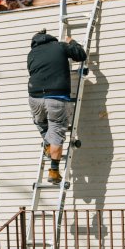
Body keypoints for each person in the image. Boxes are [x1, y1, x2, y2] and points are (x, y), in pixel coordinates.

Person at [27, 30, 88, 183]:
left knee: (40, 122)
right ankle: (54, 171)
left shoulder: (31, 54)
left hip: (35, 97)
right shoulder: (59, 47)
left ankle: (47, 144)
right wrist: (71, 42)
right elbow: (81, 55)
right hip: (56, 96)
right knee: (57, 130)